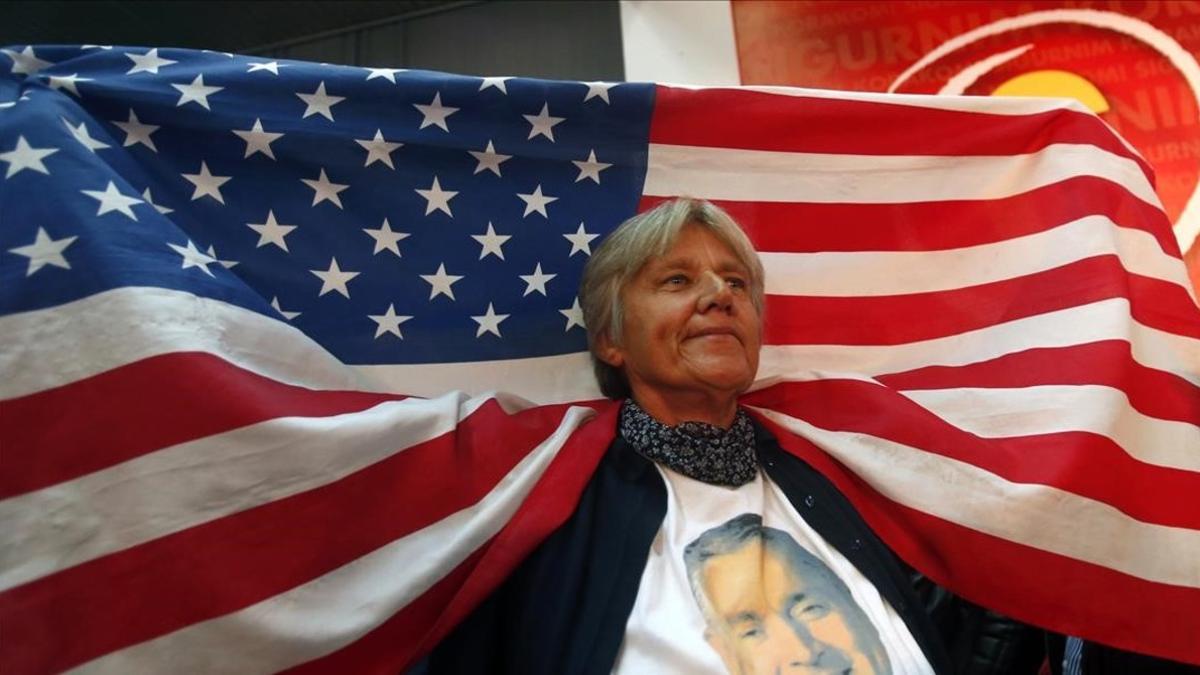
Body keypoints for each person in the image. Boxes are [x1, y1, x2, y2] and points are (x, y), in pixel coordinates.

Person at [414, 198, 1194, 674]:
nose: (720, 295)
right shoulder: (547, 501)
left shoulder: (839, 467)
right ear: (610, 340)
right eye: (678, 280)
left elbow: (984, 589)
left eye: (737, 283)